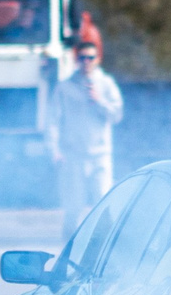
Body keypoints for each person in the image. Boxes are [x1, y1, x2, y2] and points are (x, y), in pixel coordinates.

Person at [53, 17, 126, 241]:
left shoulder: (106, 84)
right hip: (74, 155)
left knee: (104, 203)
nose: (86, 62)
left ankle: (105, 247)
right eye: (82, 58)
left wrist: (98, 101)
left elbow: (116, 115)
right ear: (77, 60)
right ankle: (68, 245)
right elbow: (54, 120)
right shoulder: (65, 87)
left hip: (99, 156)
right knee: (73, 207)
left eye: (90, 58)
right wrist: (54, 149)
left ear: (98, 59)